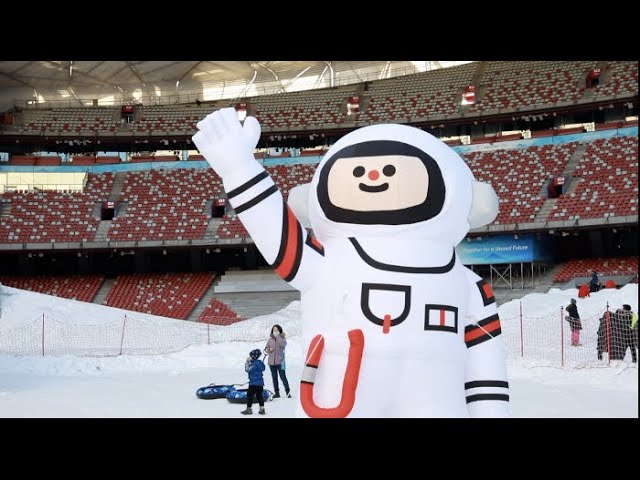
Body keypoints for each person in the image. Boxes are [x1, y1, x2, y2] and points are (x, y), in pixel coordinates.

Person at [264, 324, 291, 398]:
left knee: (283, 377)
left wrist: (278, 336)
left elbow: (283, 345)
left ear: (279, 331)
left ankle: (288, 392)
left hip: (281, 362)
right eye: (274, 330)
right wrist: (269, 350)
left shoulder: (282, 339)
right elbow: (265, 350)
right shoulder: (270, 340)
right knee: (274, 378)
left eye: (276, 330)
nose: (275, 331)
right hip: (271, 363)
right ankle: (277, 393)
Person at [241, 349, 266, 415]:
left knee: (249, 396)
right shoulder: (260, 363)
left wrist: (247, 362)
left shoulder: (253, 364)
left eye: (250, 356)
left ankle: (249, 409)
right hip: (260, 384)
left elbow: (247, 369)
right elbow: (263, 368)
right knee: (259, 396)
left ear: (253, 356)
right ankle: (262, 409)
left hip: (253, 384)